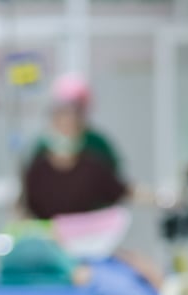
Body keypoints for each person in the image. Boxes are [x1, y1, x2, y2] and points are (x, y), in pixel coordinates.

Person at [19, 73, 131, 221]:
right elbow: (27, 201)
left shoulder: (96, 150)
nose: (67, 123)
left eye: (73, 115)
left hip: (92, 228)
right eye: (62, 115)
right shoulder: (39, 155)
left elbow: (117, 189)